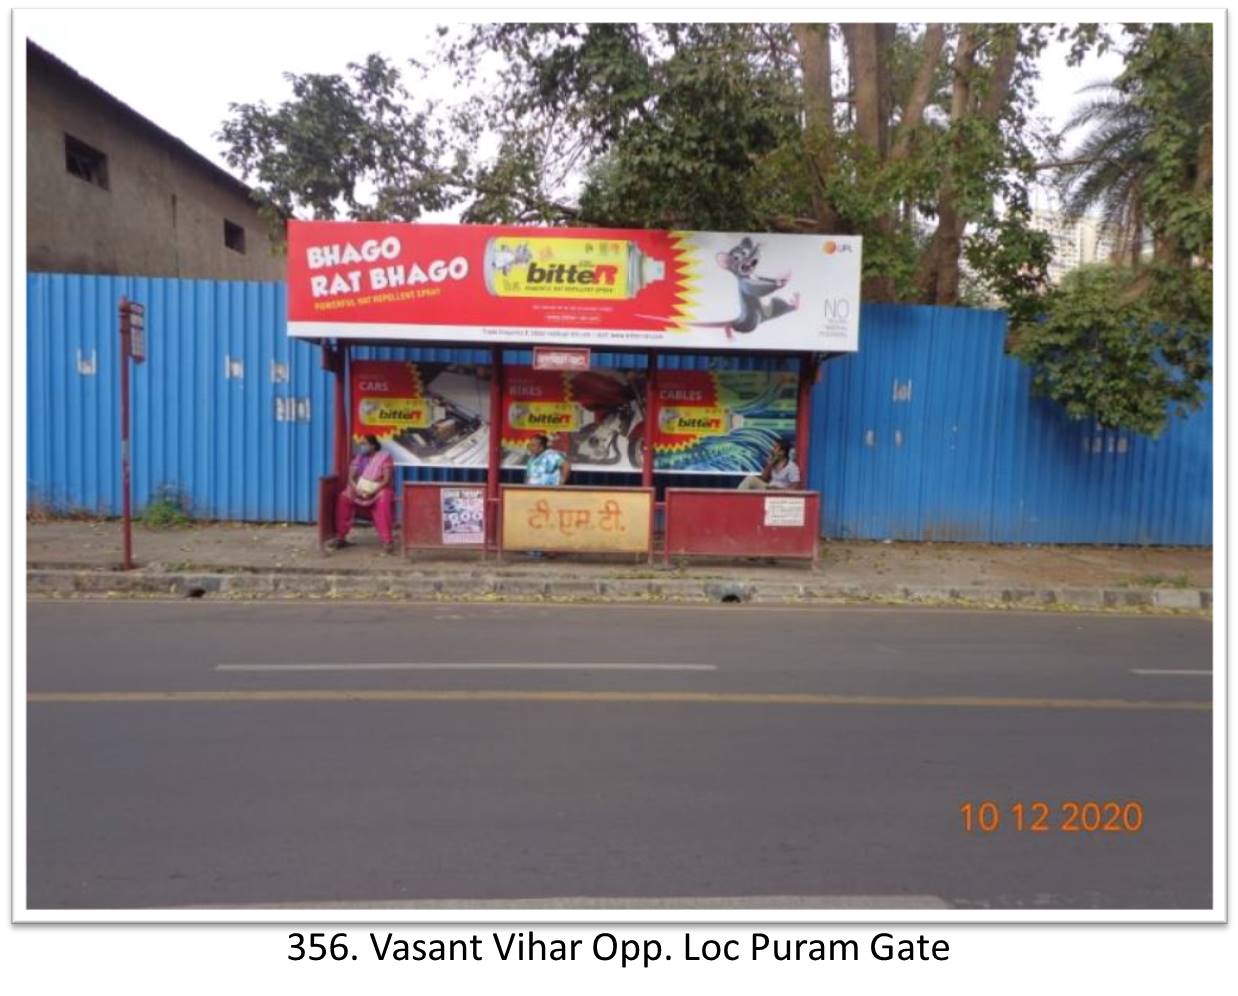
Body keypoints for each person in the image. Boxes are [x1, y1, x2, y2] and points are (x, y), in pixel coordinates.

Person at [329, 435, 396, 553]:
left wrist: (372, 491)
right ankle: (340, 537)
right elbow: (351, 478)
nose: (361, 447)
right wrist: (356, 490)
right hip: (360, 489)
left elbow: (386, 480)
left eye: (364, 444)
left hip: (379, 489)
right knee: (344, 497)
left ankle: (387, 541)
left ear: (373, 445)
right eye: (361, 444)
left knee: (383, 498)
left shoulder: (384, 458)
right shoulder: (359, 458)